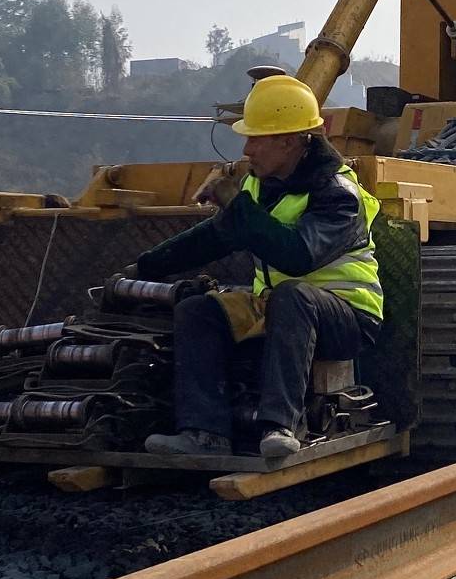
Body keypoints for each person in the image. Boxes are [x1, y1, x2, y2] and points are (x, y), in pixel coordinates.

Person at [139, 75, 384, 461]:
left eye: (257, 138)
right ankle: (204, 433)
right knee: (198, 310)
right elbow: (214, 237)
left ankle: (282, 425)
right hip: (281, 309)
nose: (247, 149)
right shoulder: (260, 187)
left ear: (289, 141)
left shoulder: (338, 194)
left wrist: (235, 205)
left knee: (294, 294)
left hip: (347, 319)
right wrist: (143, 267)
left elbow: (297, 256)